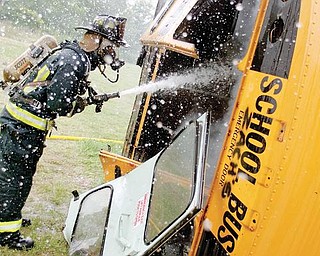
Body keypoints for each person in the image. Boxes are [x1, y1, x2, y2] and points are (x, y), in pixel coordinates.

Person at [0, 14, 128, 250]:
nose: (112, 52)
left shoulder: (74, 56)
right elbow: (57, 104)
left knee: (14, 176)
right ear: (95, 38)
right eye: (110, 45)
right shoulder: (73, 61)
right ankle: (6, 232)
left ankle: (8, 213)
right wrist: (76, 105)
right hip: (21, 127)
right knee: (15, 178)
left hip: (21, 126)